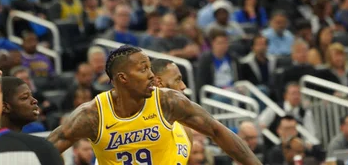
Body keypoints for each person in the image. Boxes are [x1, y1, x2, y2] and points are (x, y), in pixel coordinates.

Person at [47, 45, 262, 164]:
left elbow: (216, 130)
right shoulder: (93, 115)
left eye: (150, 68)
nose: (151, 75)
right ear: (123, 78)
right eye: (143, 69)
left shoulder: (168, 102)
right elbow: (45, 150)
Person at [151, 58, 194, 163]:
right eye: (177, 80)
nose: (183, 86)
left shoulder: (185, 128)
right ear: (159, 82)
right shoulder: (141, 123)